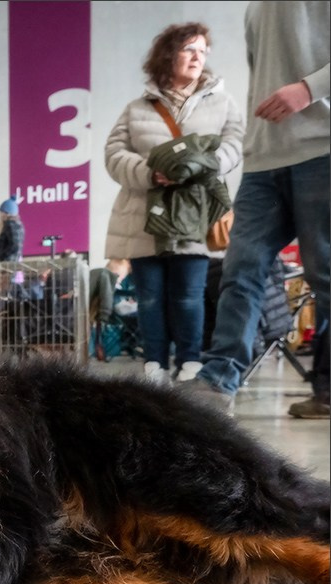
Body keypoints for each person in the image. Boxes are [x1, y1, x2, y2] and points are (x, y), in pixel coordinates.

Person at [190, 1, 329, 419]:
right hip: (264, 160)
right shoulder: (257, 7)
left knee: (325, 275)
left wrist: (308, 88)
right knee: (241, 269)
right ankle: (217, 381)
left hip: (322, 150)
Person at [103, 22, 244, 385]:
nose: (199, 57)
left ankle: (189, 359)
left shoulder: (223, 103)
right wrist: (150, 172)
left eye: (203, 51)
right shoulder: (136, 108)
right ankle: (154, 362)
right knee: (149, 297)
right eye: (189, 50)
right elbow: (114, 153)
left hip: (196, 214)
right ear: (169, 54)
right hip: (142, 216)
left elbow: (235, 144)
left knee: (189, 296)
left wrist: (203, 166)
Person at [0, 197, 24, 262]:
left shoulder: (10, 225)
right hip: (7, 263)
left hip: (6, 264)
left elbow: (14, 246)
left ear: (5, 213)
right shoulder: (15, 225)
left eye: (1, 213)